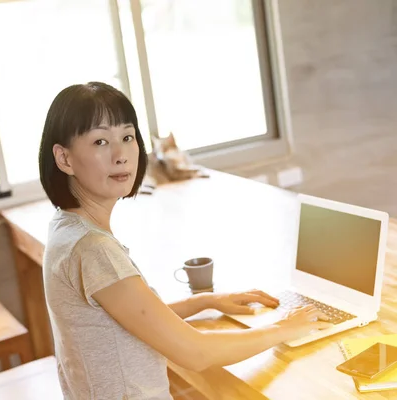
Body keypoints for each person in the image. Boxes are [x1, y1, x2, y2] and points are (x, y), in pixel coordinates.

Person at [39, 82, 331, 400]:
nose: (121, 155)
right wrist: (284, 329)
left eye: (127, 137)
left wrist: (204, 301)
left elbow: (120, 321)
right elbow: (195, 353)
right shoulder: (93, 249)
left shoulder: (67, 228)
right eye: (100, 141)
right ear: (64, 159)